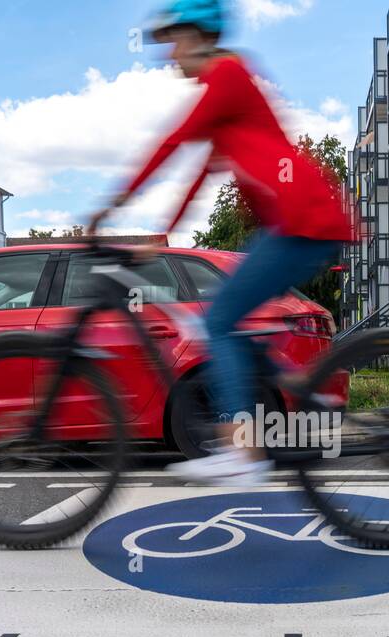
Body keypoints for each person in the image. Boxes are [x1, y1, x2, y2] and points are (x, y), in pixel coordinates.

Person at [89, 0, 353, 485]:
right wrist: (158, 240)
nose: (169, 55)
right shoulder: (226, 90)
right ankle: (297, 386)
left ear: (198, 36)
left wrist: (112, 205)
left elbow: (174, 142)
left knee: (217, 321)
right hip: (289, 224)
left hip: (303, 222)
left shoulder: (228, 74)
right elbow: (198, 173)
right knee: (231, 320)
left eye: (173, 41)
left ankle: (241, 450)